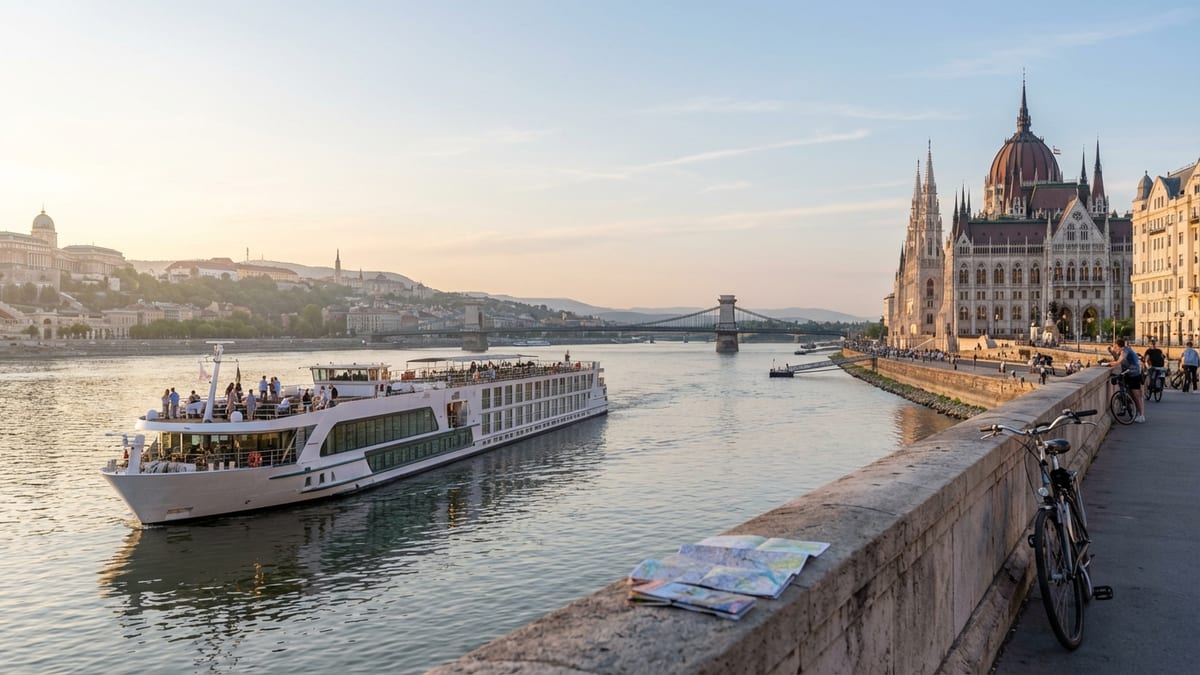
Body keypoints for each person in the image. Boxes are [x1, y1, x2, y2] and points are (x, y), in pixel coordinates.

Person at [1110, 337, 1145, 422]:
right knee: (1132, 394)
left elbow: (1119, 361)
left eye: (1115, 346)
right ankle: (1136, 412)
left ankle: (1141, 415)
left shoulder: (1125, 351)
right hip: (1129, 373)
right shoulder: (1124, 350)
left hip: (1134, 374)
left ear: (1118, 346)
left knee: (1137, 395)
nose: (1114, 348)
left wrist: (1108, 364)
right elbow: (1119, 360)